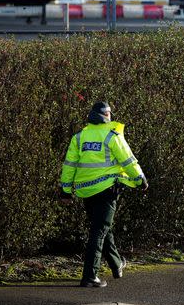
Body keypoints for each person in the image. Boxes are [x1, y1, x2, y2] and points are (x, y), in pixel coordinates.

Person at [60, 101, 147, 288]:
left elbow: (69, 166)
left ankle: (117, 264)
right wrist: (140, 179)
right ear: (107, 115)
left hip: (87, 192)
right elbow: (128, 160)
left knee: (102, 228)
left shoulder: (80, 136)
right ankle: (90, 276)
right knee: (99, 232)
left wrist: (65, 191)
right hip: (107, 190)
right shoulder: (112, 135)